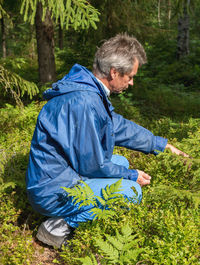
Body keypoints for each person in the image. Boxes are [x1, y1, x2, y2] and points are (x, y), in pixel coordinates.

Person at [26, 33, 188, 248]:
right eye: (129, 77)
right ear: (114, 72)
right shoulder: (84, 102)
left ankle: (68, 215)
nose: (131, 83)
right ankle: (58, 226)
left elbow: (117, 127)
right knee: (130, 192)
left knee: (121, 161)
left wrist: (160, 145)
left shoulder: (87, 90)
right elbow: (92, 165)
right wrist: (132, 177)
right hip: (53, 191)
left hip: (56, 176)